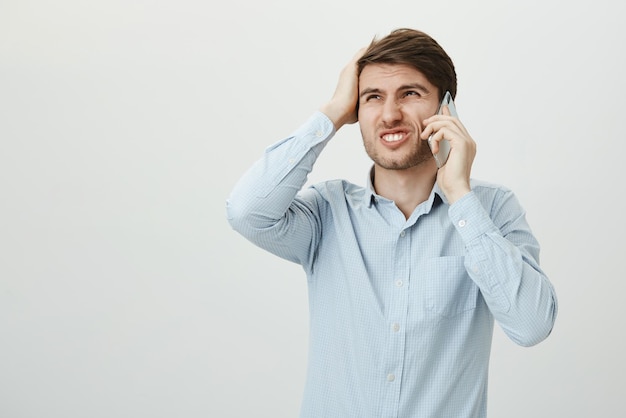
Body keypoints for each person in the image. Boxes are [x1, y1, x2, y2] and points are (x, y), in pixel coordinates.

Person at [226, 28, 558, 418]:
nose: (389, 114)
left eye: (410, 94)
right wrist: (333, 110)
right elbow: (246, 212)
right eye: (372, 98)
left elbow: (531, 325)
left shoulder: (490, 209)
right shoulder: (326, 213)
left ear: (446, 107)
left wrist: (459, 195)